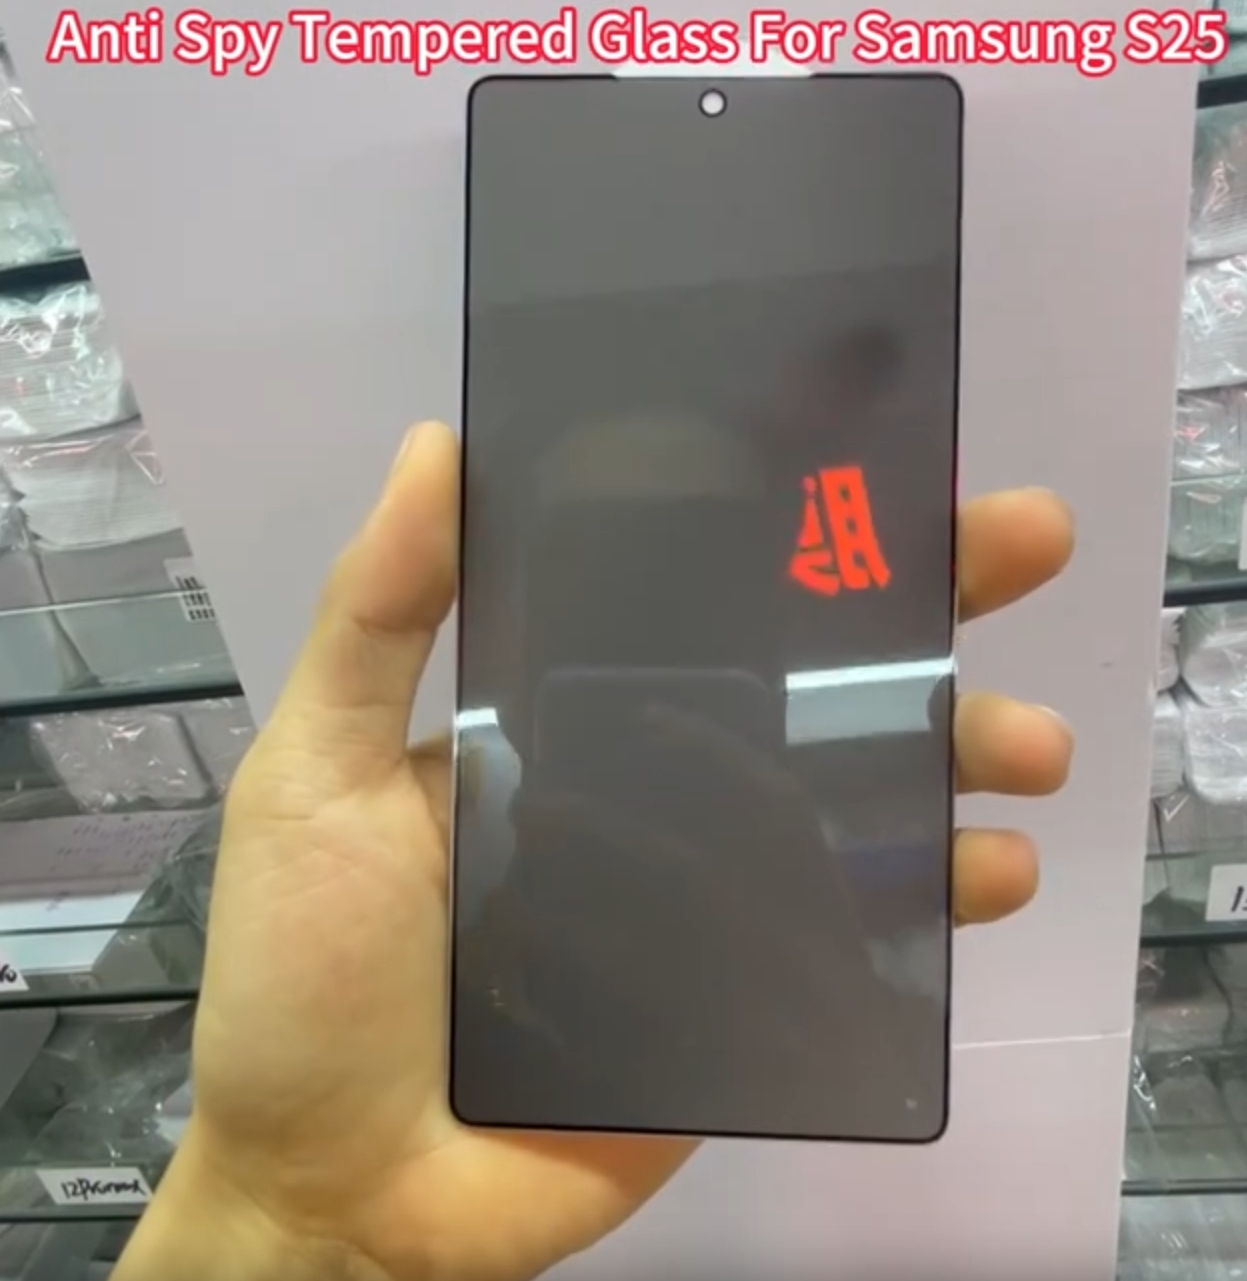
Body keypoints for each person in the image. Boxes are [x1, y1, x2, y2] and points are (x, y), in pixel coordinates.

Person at [113, 420, 1075, 1281]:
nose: (646, 624)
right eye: (599, 581)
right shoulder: (448, 955)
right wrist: (289, 1216)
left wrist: (846, 1014)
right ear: (510, 642)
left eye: (696, 581)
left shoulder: (851, 923)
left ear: (781, 636)